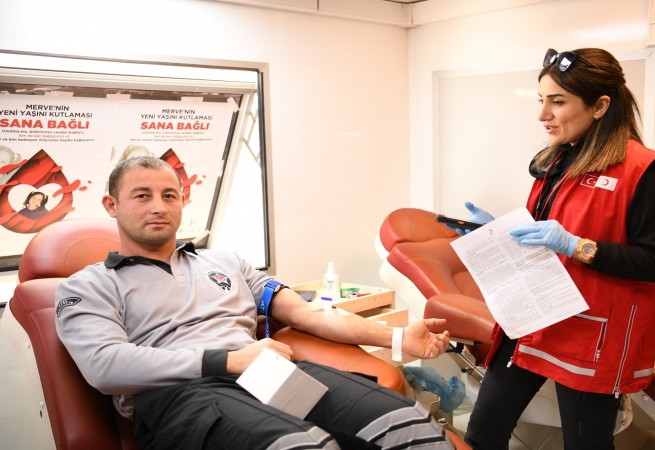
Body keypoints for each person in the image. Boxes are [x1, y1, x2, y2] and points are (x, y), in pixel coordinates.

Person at [56, 156, 455, 450]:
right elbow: (105, 365)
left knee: (408, 424)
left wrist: (398, 337)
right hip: (179, 396)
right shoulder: (89, 285)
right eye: (142, 196)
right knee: (302, 446)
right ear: (112, 205)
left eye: (169, 195)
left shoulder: (226, 263)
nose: (159, 206)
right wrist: (228, 360)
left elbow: (309, 315)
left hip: (266, 375)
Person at [460, 48, 655, 450]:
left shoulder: (644, 170)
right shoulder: (555, 161)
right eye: (541, 100)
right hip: (532, 320)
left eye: (557, 102)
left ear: (600, 106)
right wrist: (497, 234)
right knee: (481, 435)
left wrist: (577, 246)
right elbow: (544, 238)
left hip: (590, 334)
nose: (543, 114)